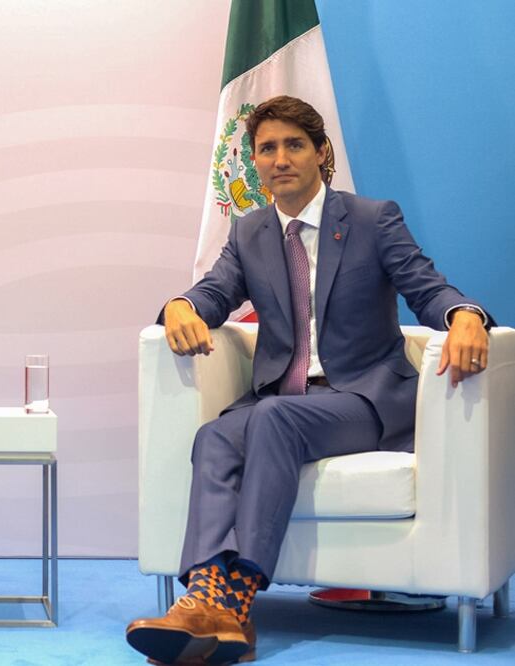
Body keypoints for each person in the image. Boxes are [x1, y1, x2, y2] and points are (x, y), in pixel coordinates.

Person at [125, 96, 493, 665]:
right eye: (266, 149)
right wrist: (180, 305)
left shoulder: (372, 219)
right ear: (255, 161)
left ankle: (234, 597)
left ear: (321, 154)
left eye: (293, 145)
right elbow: (216, 292)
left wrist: (465, 315)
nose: (280, 159)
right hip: (287, 399)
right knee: (216, 436)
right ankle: (212, 606)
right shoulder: (250, 232)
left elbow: (427, 287)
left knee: (271, 417)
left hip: (364, 400)